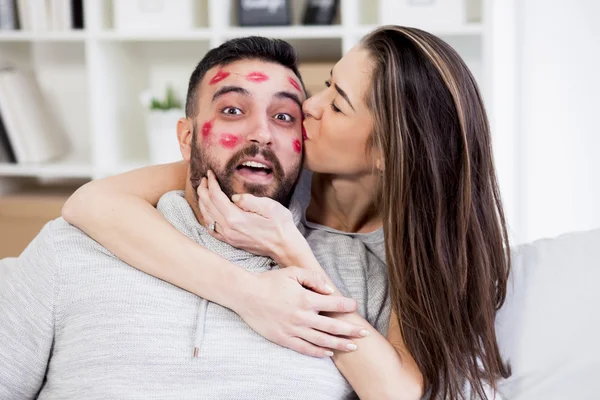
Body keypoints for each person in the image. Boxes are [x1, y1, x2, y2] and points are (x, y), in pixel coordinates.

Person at [63, 26, 511, 399]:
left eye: (337, 104)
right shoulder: (274, 169)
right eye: (329, 83)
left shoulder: (425, 253)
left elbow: (400, 392)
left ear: (387, 152)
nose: (308, 108)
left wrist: (293, 252)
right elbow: (91, 202)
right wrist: (247, 294)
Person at [0, 36, 417, 400]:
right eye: (233, 110)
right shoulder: (74, 246)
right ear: (185, 136)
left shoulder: (361, 280)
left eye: (284, 116)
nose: (262, 134)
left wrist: (291, 251)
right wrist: (247, 293)